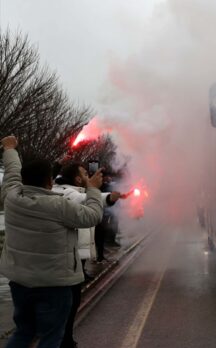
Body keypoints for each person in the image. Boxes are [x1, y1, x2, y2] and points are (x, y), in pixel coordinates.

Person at [0, 136, 104, 348]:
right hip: (55, 285)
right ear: (49, 182)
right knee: (51, 337)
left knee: (23, 332)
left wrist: (9, 149)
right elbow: (93, 215)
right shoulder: (59, 206)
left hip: (20, 282)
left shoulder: (11, 198)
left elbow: (11, 173)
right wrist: (92, 188)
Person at [53, 163, 126, 348]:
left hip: (67, 259)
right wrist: (103, 194)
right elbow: (85, 200)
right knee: (67, 306)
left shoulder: (68, 190)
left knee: (67, 306)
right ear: (77, 178)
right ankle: (64, 341)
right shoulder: (68, 193)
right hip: (67, 261)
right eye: (85, 173)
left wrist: (109, 196)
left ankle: (65, 339)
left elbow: (85, 197)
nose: (88, 175)